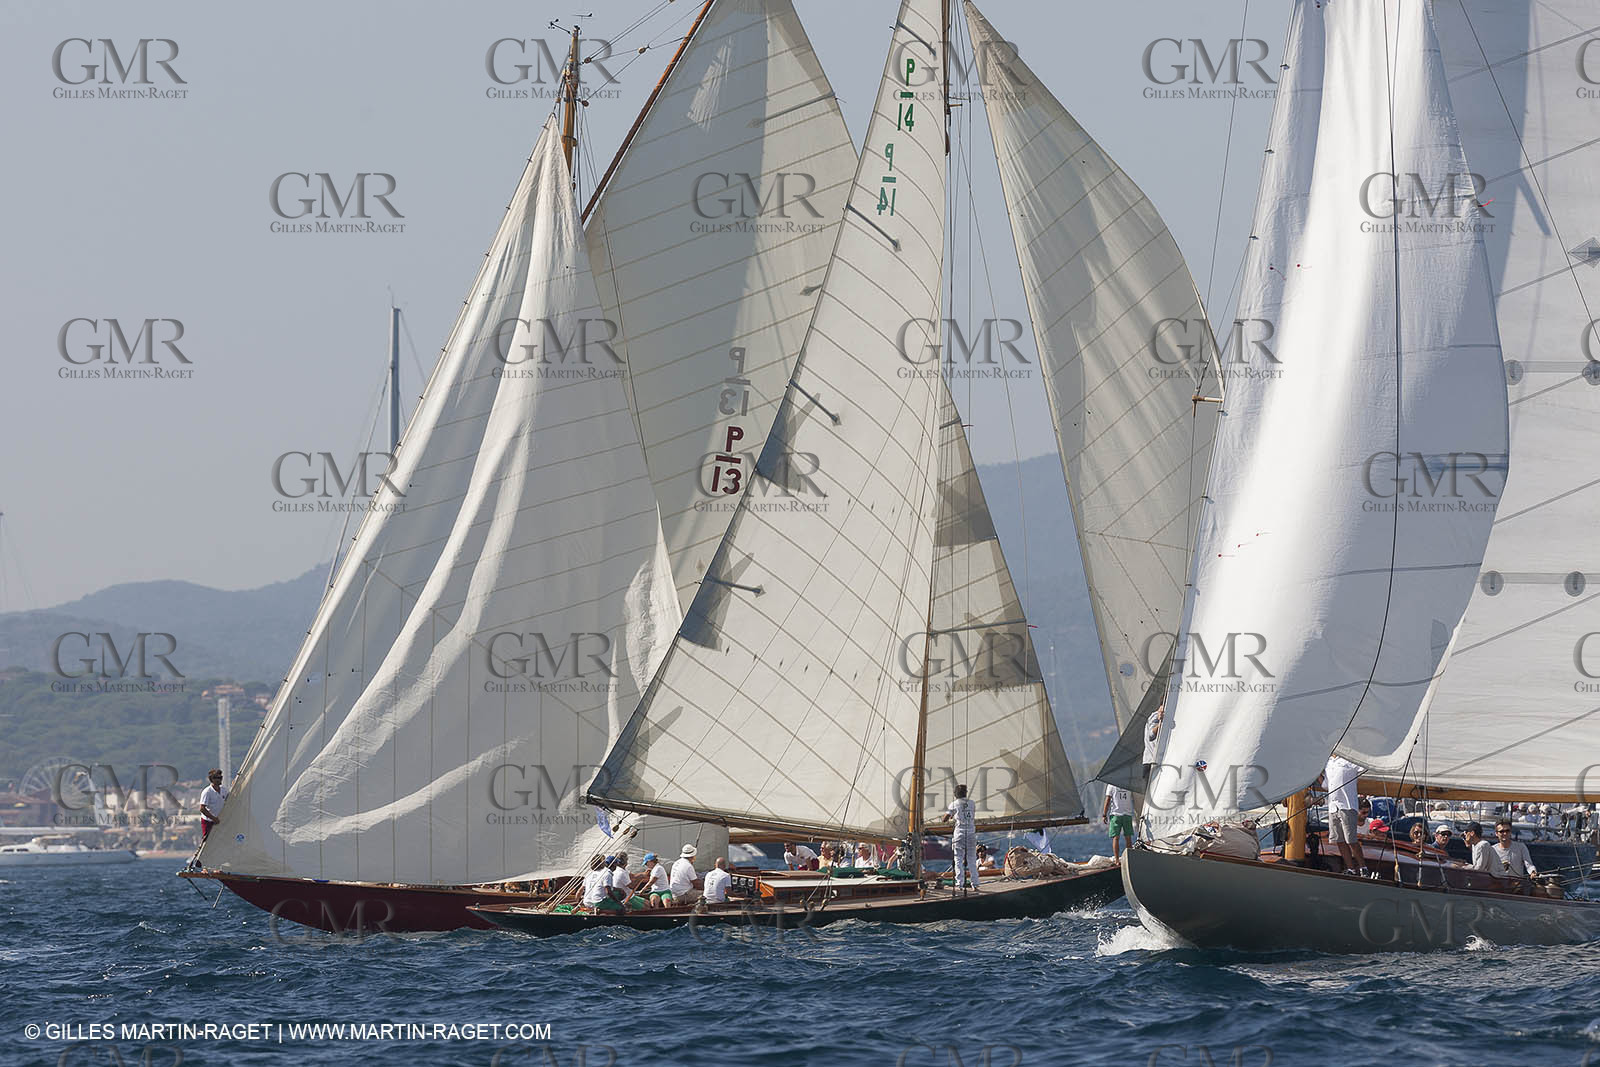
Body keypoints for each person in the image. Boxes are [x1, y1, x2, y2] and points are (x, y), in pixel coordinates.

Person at [1322, 755, 1366, 877]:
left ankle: (1363, 867)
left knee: (1351, 840)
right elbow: (1326, 785)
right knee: (1339, 840)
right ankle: (1351, 868)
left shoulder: (1350, 759)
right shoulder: (1328, 762)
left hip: (1347, 805)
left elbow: (1366, 764)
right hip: (1333, 806)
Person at [948, 783, 979, 892]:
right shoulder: (972, 803)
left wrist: (950, 815)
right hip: (971, 834)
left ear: (955, 794)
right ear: (966, 793)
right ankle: (975, 884)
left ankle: (959, 884)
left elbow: (945, 818)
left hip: (959, 834)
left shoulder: (953, 804)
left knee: (958, 859)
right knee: (972, 860)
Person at [1102, 784, 1135, 861]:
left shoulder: (1111, 784)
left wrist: (1104, 814)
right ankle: (1129, 859)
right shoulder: (1129, 783)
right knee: (1128, 838)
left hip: (1116, 815)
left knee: (1116, 838)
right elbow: (1134, 799)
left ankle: (1117, 860)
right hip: (1127, 814)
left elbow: (1108, 800)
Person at [199, 769, 228, 842]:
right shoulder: (207, 792)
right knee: (208, 841)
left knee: (221, 840)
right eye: (217, 778)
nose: (219, 780)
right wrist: (213, 818)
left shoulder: (224, 790)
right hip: (208, 821)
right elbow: (202, 809)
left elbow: (231, 799)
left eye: (220, 778)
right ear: (212, 779)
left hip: (219, 819)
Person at [1142, 702, 1164, 787]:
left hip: (1162, 762)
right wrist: (1161, 722)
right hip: (1151, 762)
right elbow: (1151, 735)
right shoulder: (1155, 716)